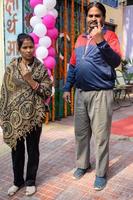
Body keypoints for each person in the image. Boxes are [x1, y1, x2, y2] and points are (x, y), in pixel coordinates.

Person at [63, 2, 121, 191]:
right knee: (81, 134)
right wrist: (66, 88)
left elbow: (115, 61)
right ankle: (82, 164)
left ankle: (101, 173)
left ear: (102, 18)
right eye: (90, 15)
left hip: (101, 93)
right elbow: (72, 65)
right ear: (86, 18)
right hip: (81, 93)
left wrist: (100, 41)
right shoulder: (80, 38)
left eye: (97, 15)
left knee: (101, 136)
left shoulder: (109, 36)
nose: (94, 19)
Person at [0, 33, 52, 196]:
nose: (29, 50)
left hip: (34, 117)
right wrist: (4, 115)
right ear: (19, 48)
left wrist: (30, 80)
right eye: (25, 47)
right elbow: (5, 92)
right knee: (17, 150)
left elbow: (47, 91)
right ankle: (17, 181)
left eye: (31, 47)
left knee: (33, 149)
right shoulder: (11, 67)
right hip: (15, 118)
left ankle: (30, 181)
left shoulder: (40, 68)